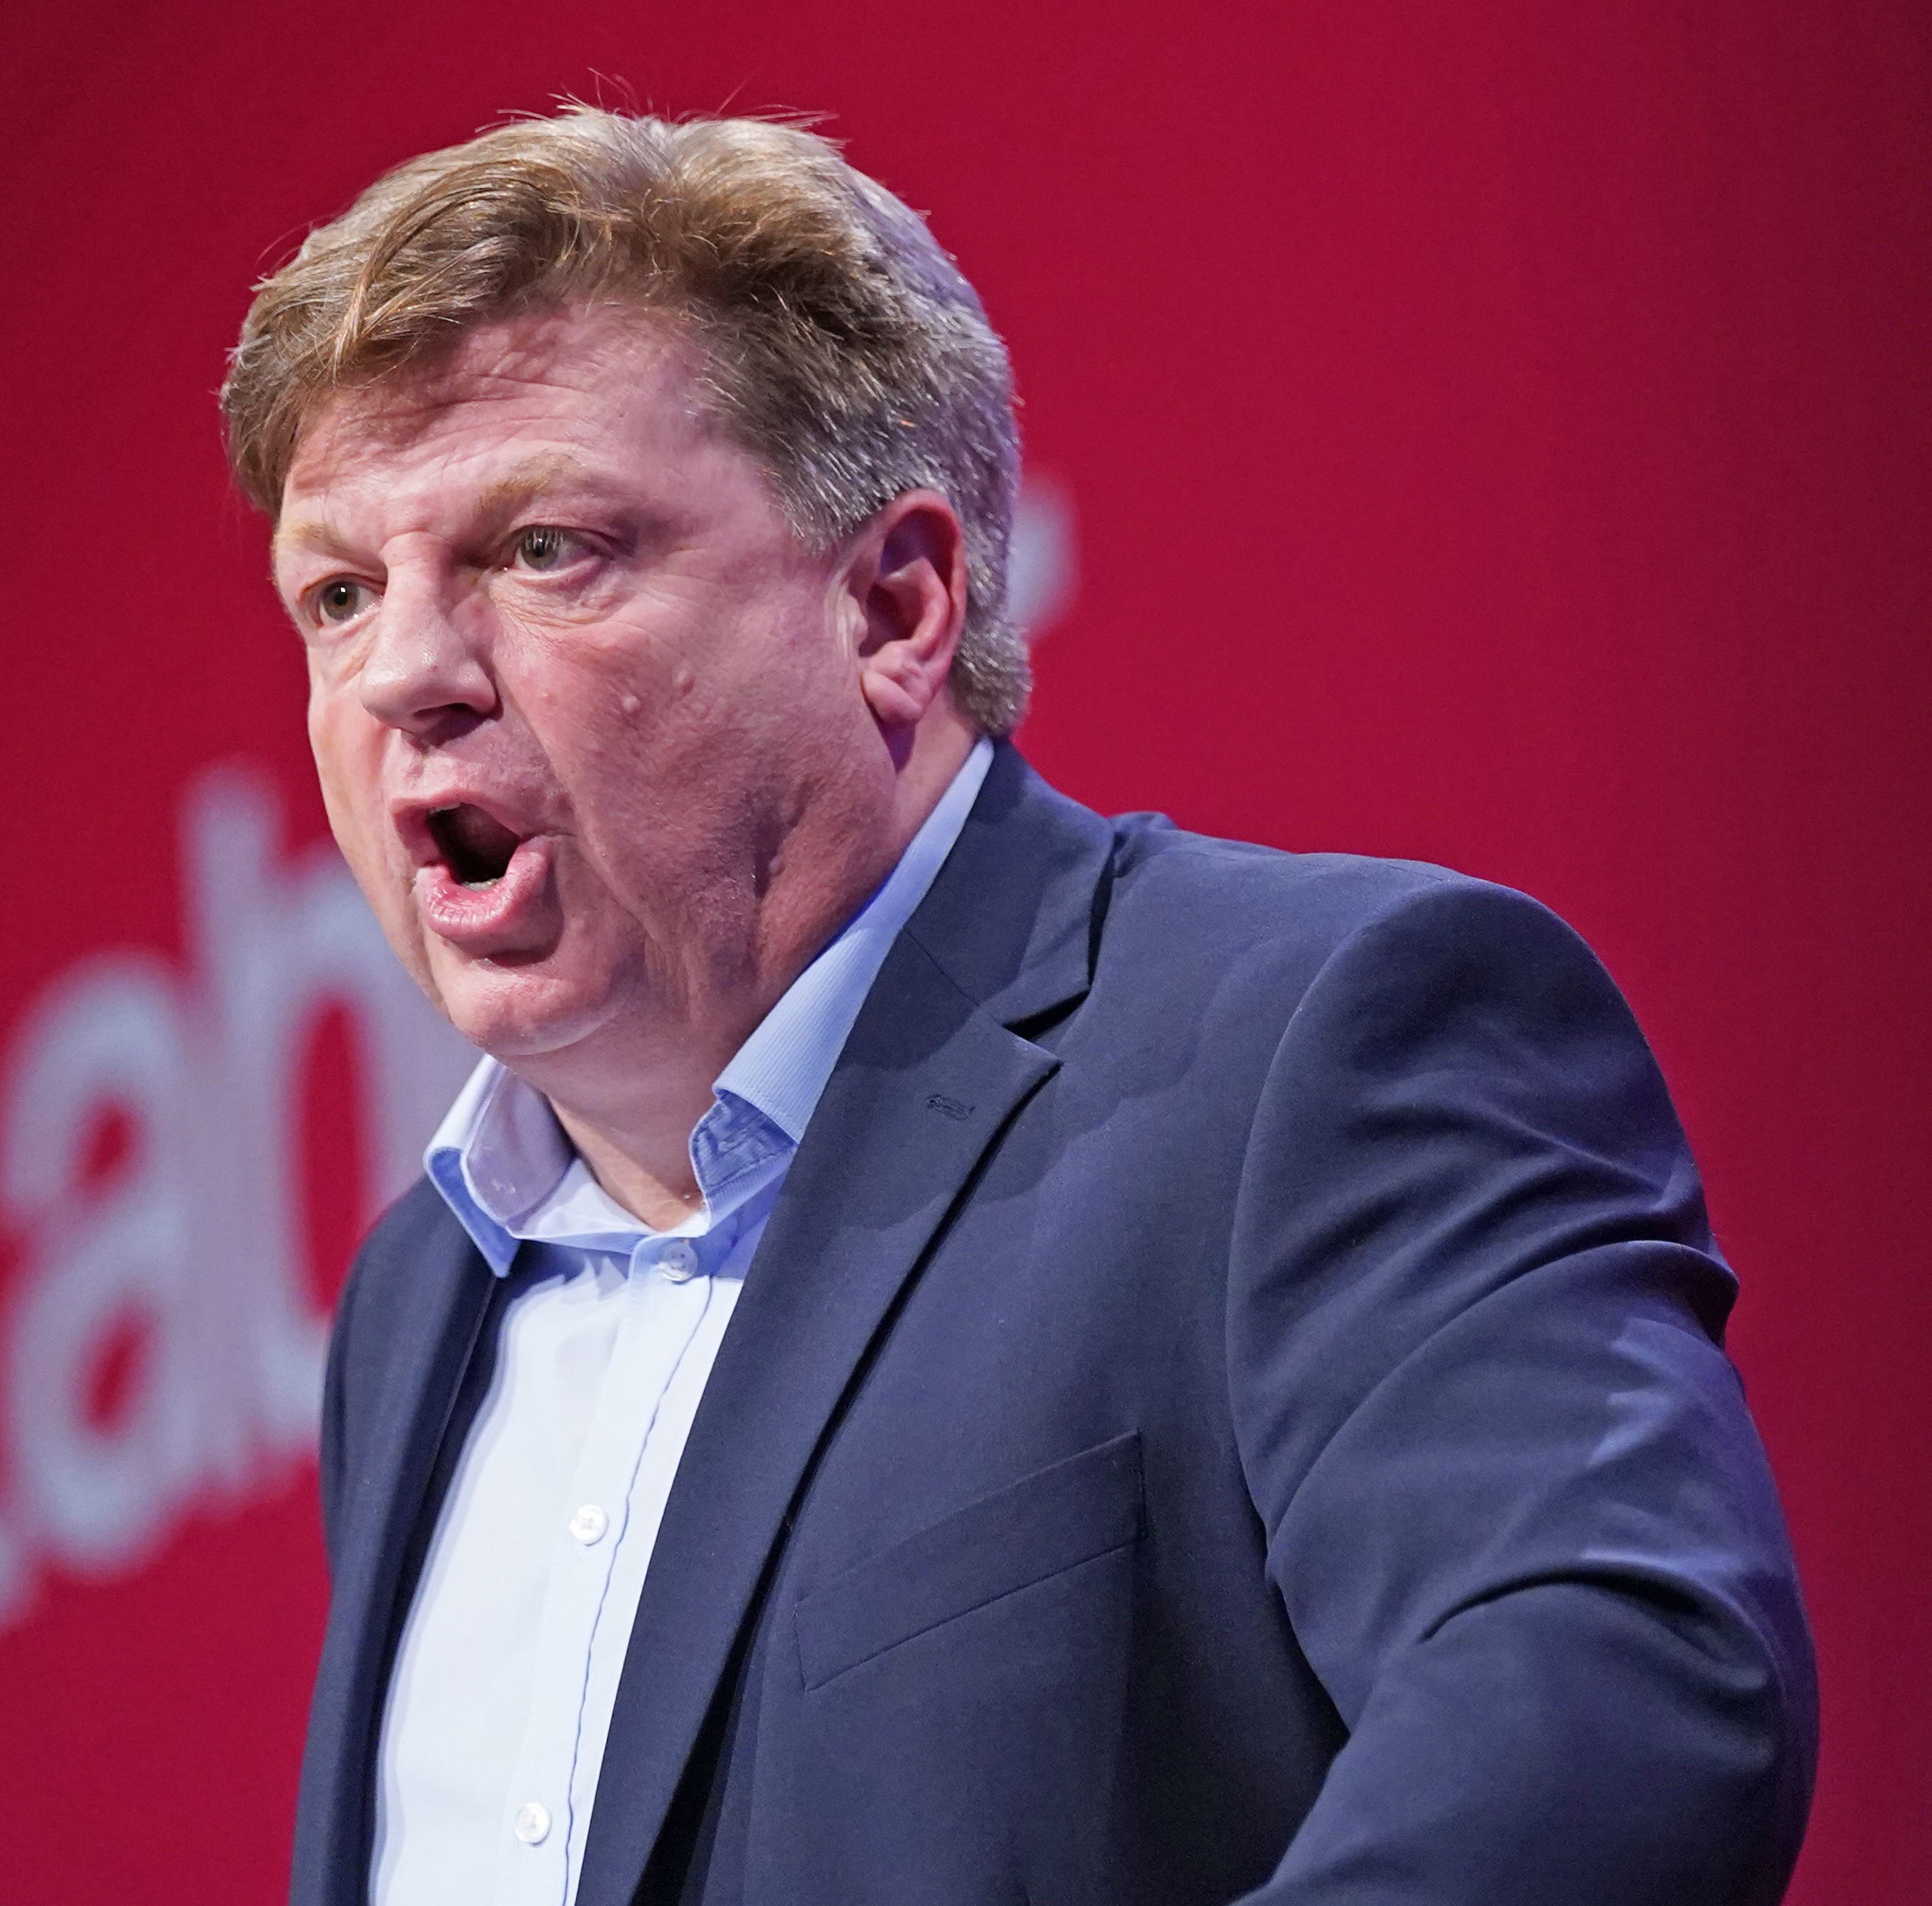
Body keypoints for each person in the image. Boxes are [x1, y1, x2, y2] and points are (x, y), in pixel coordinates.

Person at [221, 108, 1815, 1906]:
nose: (405, 676)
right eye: (337, 593)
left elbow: (1618, 1688)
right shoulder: (416, 1303)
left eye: (540, 551)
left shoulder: (1295, 1042)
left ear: (893, 604)